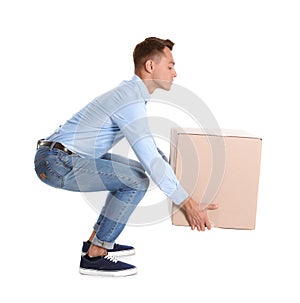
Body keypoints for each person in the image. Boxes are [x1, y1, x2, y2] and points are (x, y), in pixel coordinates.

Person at [34, 37, 218, 277]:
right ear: (150, 66)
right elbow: (150, 156)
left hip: (60, 157)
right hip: (58, 163)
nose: (175, 73)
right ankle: (95, 255)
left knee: (137, 174)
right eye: (170, 66)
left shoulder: (130, 95)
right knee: (137, 180)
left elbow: (149, 150)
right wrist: (187, 203)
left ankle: (95, 242)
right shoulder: (129, 99)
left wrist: (175, 172)